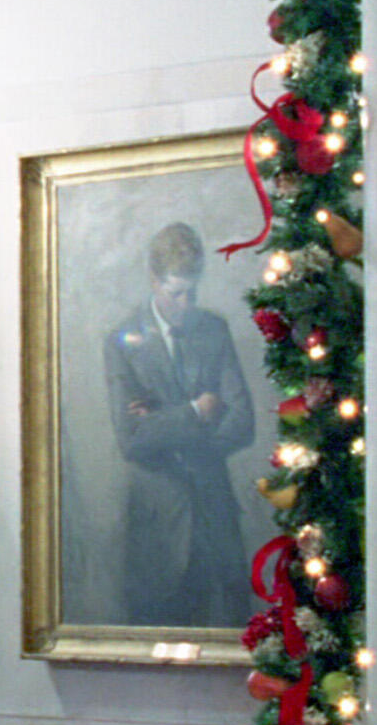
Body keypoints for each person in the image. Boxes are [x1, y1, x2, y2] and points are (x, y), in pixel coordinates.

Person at [101, 220, 259, 626]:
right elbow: (132, 440)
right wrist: (195, 413)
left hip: (216, 525)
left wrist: (164, 427)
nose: (186, 304)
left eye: (193, 291)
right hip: (158, 537)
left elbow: (243, 422)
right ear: (154, 282)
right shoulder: (121, 341)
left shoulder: (214, 330)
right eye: (176, 293)